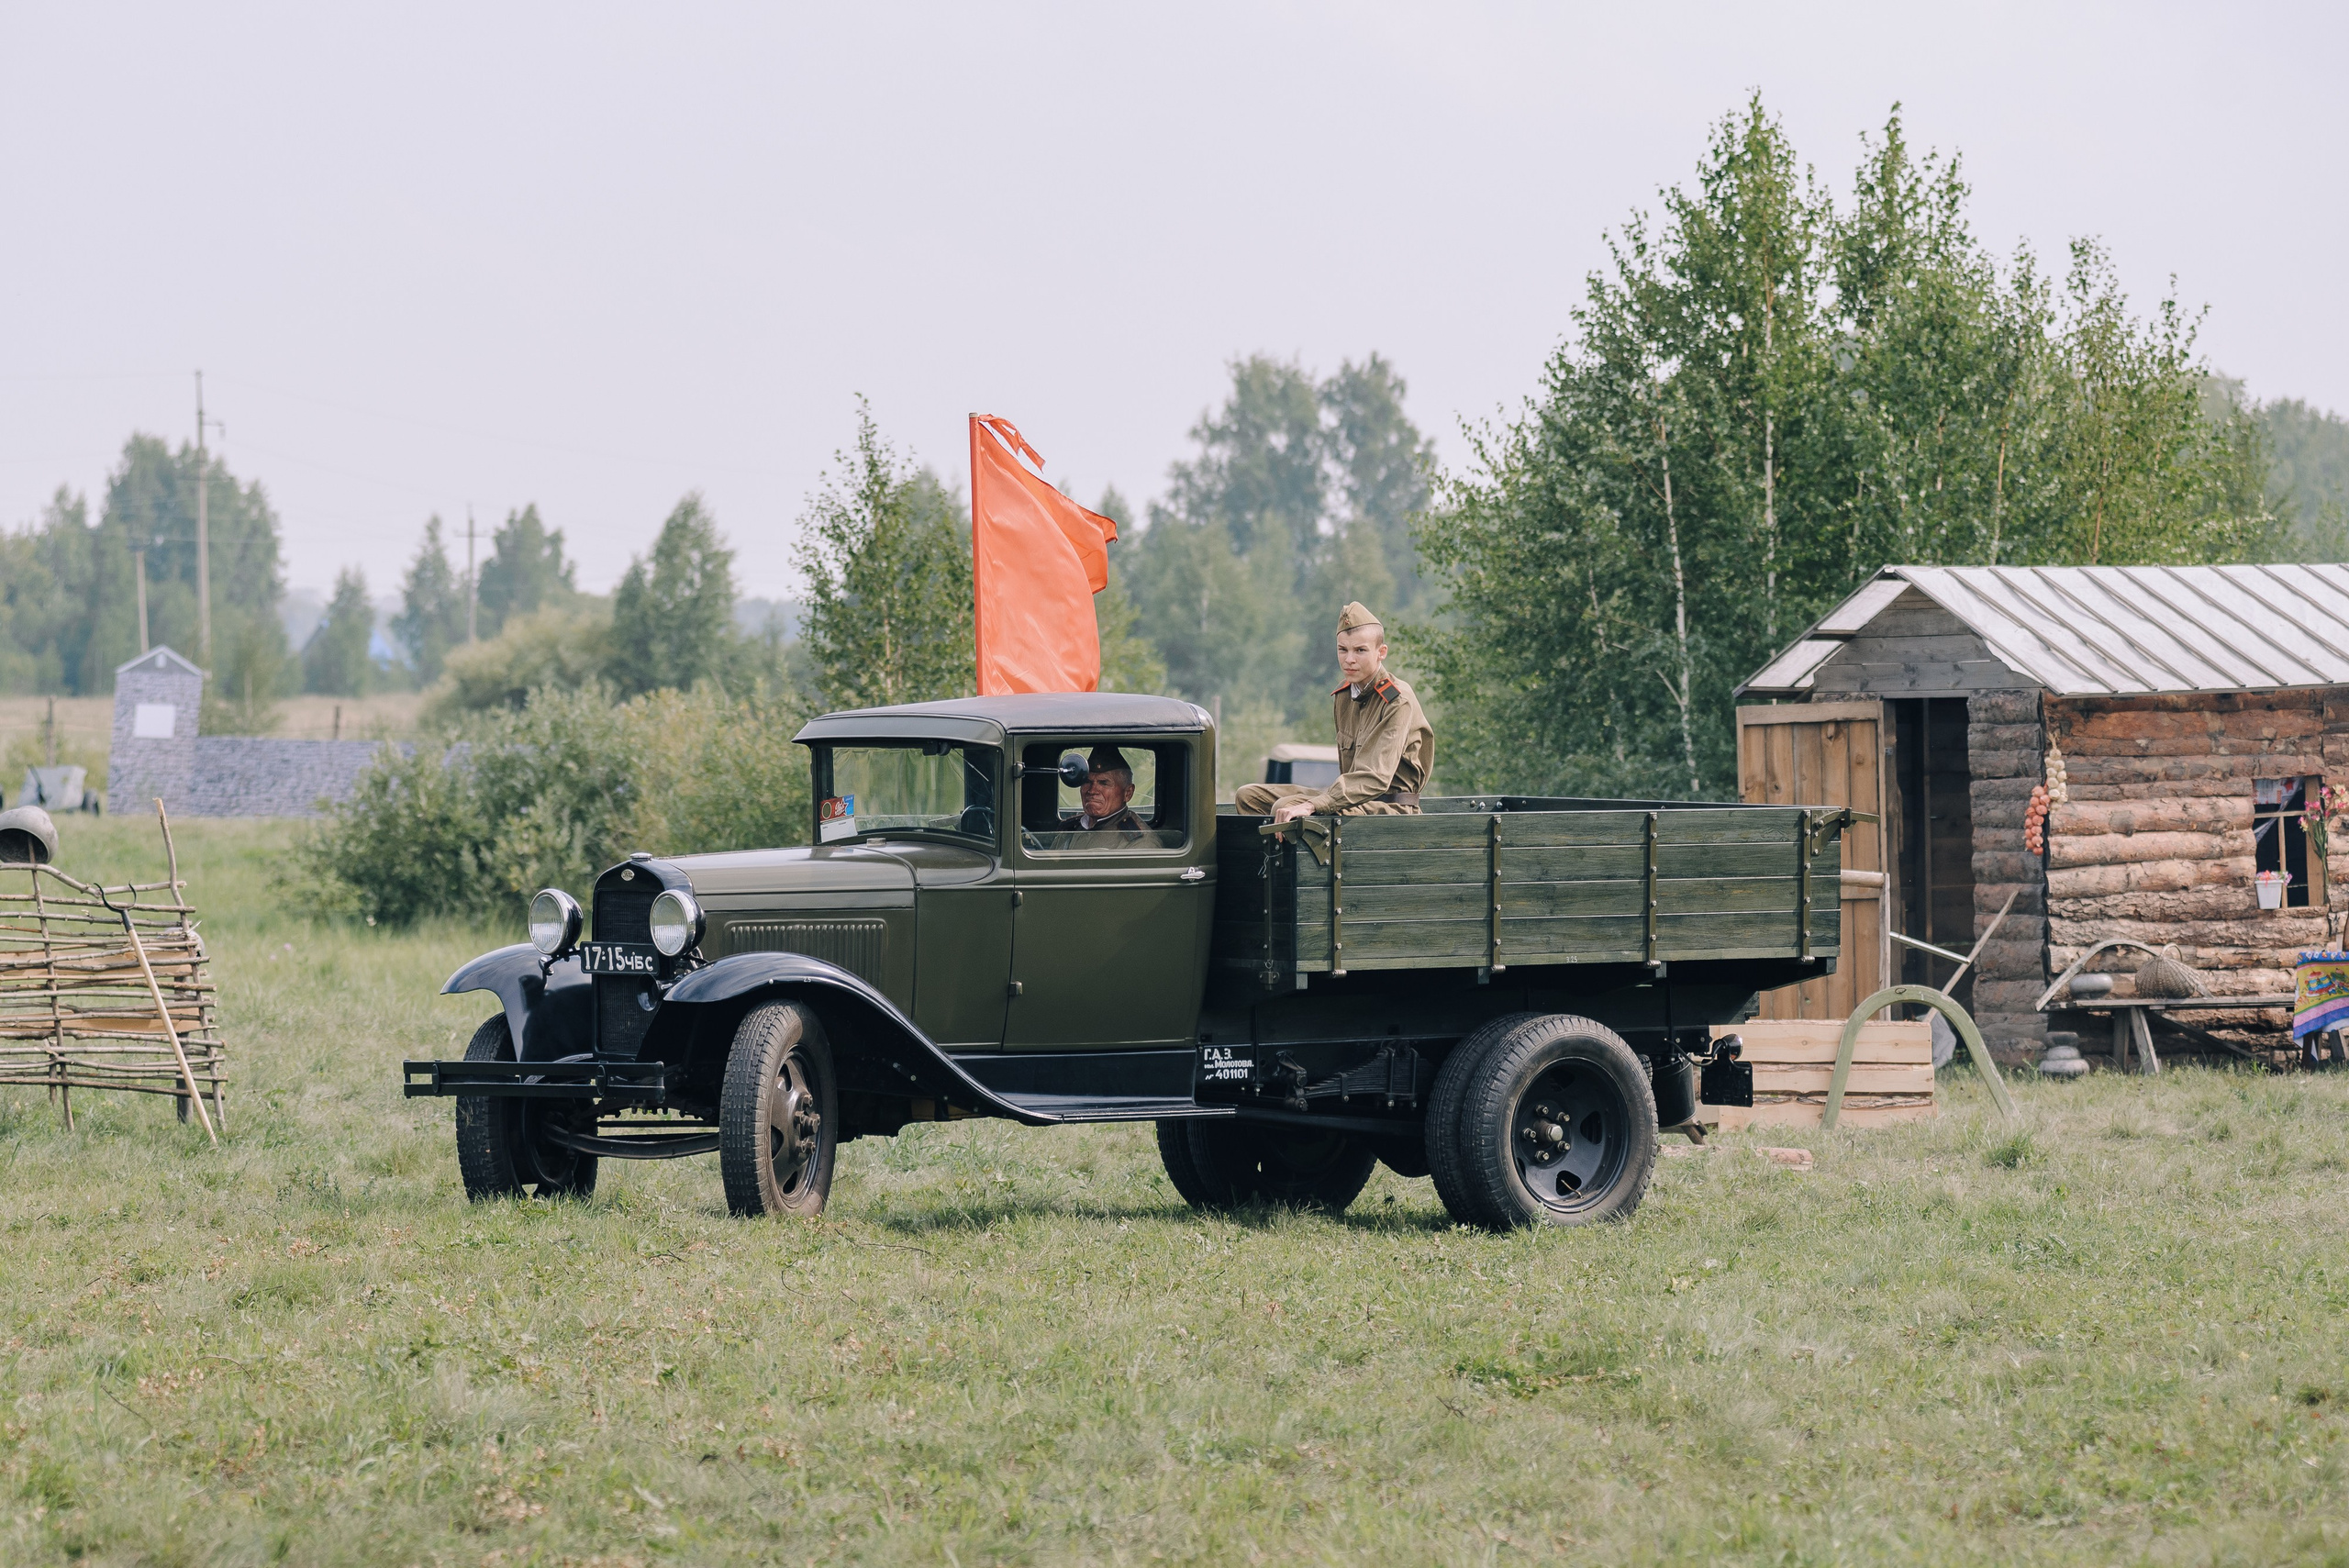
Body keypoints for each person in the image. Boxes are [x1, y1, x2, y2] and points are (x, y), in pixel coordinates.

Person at [1233, 602, 1432, 823]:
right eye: (1342, 649)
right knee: (1249, 796)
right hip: (1353, 802)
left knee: (1287, 806)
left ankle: (1286, 858)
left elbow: (1374, 778)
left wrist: (1314, 804)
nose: (1349, 660)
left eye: (1360, 650)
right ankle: (1263, 857)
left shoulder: (1397, 700)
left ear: (1381, 652)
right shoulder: (1344, 695)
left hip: (1391, 809)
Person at [1073, 746, 1148, 841]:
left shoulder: (1139, 842)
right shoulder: (1071, 829)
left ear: (1128, 793)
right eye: (1087, 782)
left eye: (1103, 783)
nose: (1092, 791)